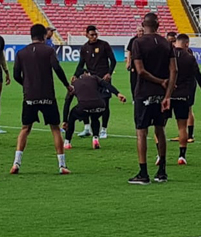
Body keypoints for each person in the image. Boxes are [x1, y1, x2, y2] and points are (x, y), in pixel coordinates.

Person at [11, 24, 73, 175]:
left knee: (25, 128)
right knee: (55, 128)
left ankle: (16, 164)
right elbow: (57, 68)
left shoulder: (21, 53)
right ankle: (62, 165)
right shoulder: (49, 50)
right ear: (44, 35)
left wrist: (26, 84)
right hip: (47, 95)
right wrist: (67, 85)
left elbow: (15, 75)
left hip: (29, 96)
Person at [129, 13, 176, 185]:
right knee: (160, 130)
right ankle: (162, 171)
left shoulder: (138, 43)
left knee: (141, 132)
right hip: (162, 95)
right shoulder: (166, 43)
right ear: (158, 25)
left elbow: (140, 71)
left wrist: (159, 81)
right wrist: (168, 93)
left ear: (143, 24)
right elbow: (174, 70)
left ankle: (143, 173)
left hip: (144, 92)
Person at [165, 34, 201, 164]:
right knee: (181, 127)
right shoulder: (190, 58)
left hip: (167, 95)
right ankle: (182, 156)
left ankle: (159, 156)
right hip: (183, 95)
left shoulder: (167, 56)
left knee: (160, 126)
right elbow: (198, 75)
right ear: (187, 44)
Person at [62, 71, 127, 150]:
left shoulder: (74, 84)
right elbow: (106, 85)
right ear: (87, 73)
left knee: (72, 116)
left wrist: (65, 120)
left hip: (84, 107)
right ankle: (95, 139)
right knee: (95, 117)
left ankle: (67, 142)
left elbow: (67, 102)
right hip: (101, 106)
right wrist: (118, 94)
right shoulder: (95, 78)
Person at [73, 25, 117, 139]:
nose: (94, 37)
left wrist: (109, 73)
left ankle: (104, 129)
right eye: (92, 35)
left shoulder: (104, 45)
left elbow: (113, 60)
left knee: (105, 104)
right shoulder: (84, 48)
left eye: (96, 34)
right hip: (91, 80)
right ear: (86, 35)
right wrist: (75, 75)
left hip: (103, 79)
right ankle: (87, 128)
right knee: (86, 103)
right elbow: (81, 64)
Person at [125, 27, 144, 98]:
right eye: (139, 31)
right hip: (134, 62)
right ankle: (134, 97)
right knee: (133, 80)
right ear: (137, 31)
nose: (141, 32)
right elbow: (129, 51)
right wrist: (128, 62)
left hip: (144, 62)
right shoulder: (133, 40)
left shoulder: (146, 40)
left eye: (142, 31)